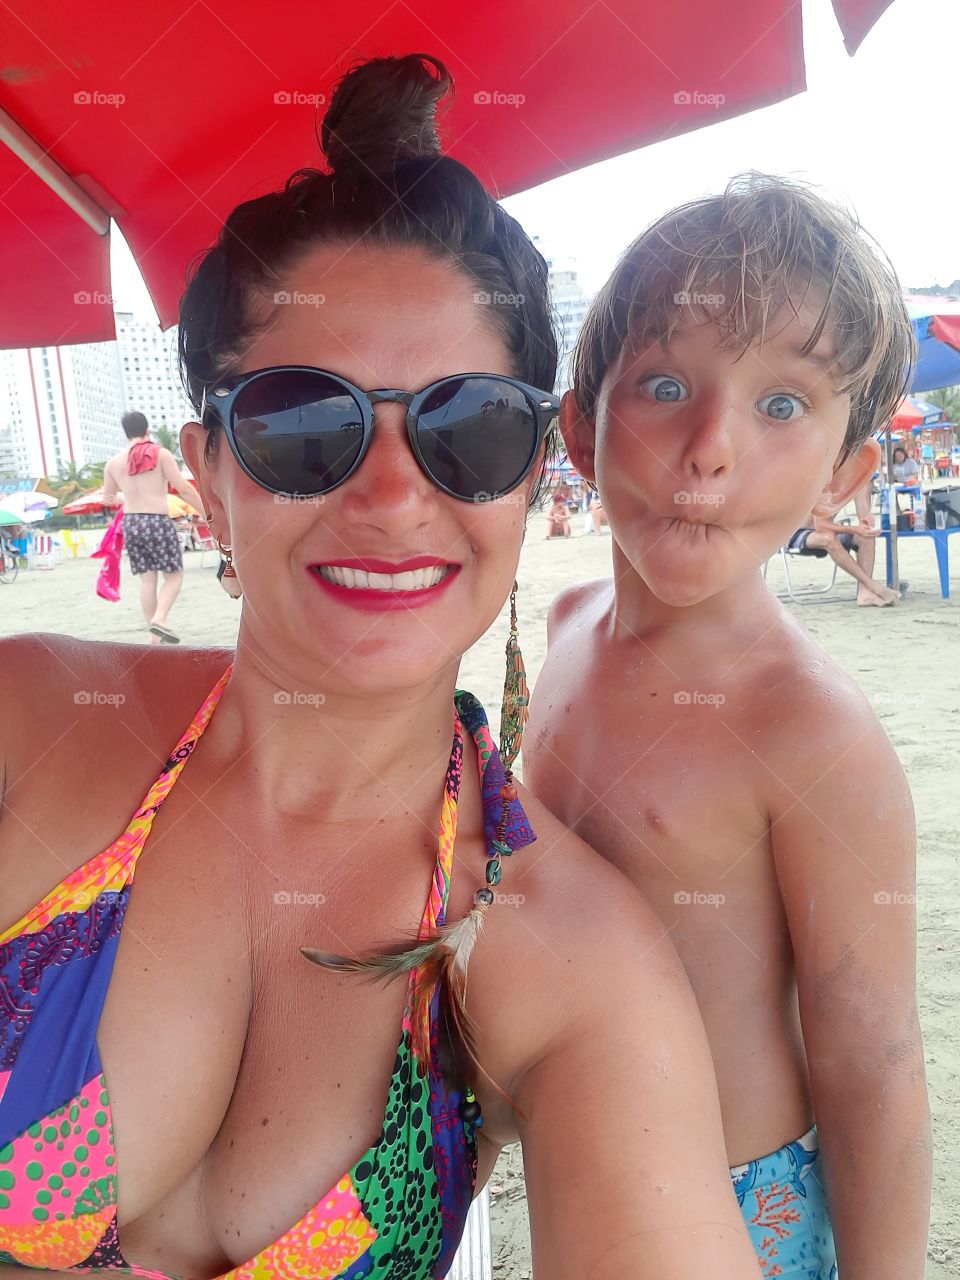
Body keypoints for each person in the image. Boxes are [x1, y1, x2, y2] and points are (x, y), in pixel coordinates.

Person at [0, 57, 760, 1280]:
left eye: (471, 426)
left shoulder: (571, 959)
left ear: (530, 475)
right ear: (210, 472)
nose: (396, 494)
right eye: (308, 421)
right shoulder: (27, 722)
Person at [525, 174, 931, 1280]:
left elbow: (872, 1055)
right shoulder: (566, 626)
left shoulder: (809, 729)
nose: (709, 446)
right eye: (665, 384)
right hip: (573, 1172)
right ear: (580, 426)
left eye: (782, 405)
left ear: (844, 473)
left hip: (739, 1204)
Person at [102, 411, 204, 644]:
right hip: (157, 520)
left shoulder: (113, 464)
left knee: (147, 581)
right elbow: (184, 489)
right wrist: (206, 513)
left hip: (132, 523)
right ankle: (160, 619)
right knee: (174, 576)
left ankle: (154, 638)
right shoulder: (161, 455)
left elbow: (108, 499)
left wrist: (127, 495)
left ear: (126, 433)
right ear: (147, 429)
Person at [786, 480, 900, 606]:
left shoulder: (860, 482)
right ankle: (872, 585)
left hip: (824, 530)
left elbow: (863, 519)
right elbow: (821, 525)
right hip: (794, 532)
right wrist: (853, 529)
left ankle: (865, 593)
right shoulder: (829, 481)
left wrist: (867, 520)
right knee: (828, 538)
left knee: (866, 537)